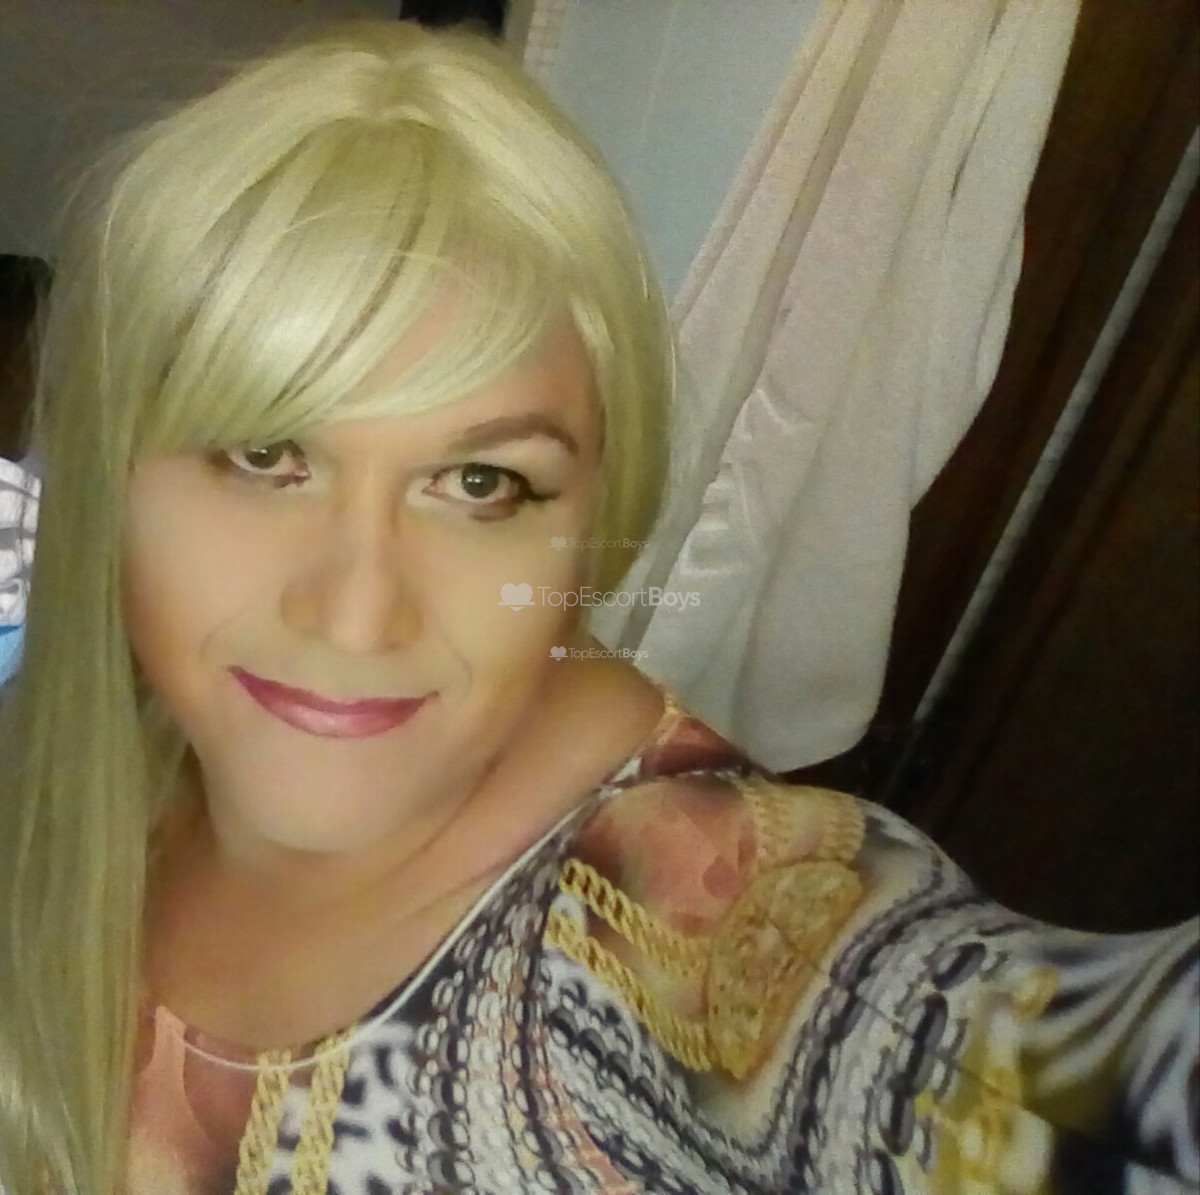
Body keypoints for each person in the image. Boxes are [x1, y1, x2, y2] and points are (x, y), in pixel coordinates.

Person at [0, 19, 1195, 1195]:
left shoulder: (712, 916)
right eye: (265, 454)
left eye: (481, 482)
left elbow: (1068, 1083)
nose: (356, 614)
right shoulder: (96, 722)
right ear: (111, 472)